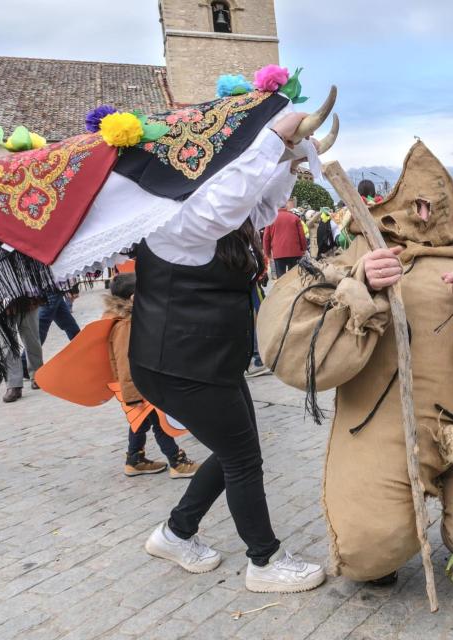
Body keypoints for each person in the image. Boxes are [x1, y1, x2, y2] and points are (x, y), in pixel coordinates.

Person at [257, 141, 453, 592]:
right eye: (415, 202)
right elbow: (305, 292)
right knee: (368, 549)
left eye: (435, 202)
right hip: (384, 417)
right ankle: (387, 550)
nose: (425, 211)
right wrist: (359, 282)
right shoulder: (364, 245)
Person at [130, 111, 326, 592]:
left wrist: (288, 159)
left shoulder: (221, 218)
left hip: (210, 360)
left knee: (235, 450)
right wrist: (272, 138)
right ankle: (265, 561)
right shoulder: (178, 221)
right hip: (178, 364)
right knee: (242, 457)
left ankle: (176, 533)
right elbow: (229, 201)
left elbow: (257, 205)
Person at [104, 273, 200, 478]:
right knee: (160, 421)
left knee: (142, 421)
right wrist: (133, 396)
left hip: (146, 382)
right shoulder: (125, 326)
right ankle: (177, 462)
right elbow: (124, 364)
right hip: (140, 386)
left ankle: (134, 459)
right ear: (132, 298)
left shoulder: (134, 319)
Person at [2, 300, 43, 403]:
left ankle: (37, 374)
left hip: (23, 292)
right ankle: (13, 384)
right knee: (6, 342)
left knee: (31, 337)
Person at [263, 196, 308, 277]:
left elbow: (266, 238)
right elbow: (302, 236)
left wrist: (267, 253)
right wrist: (304, 249)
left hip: (278, 253)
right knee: (294, 277)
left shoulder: (271, 219)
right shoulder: (295, 218)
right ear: (286, 206)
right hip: (295, 252)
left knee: (281, 279)